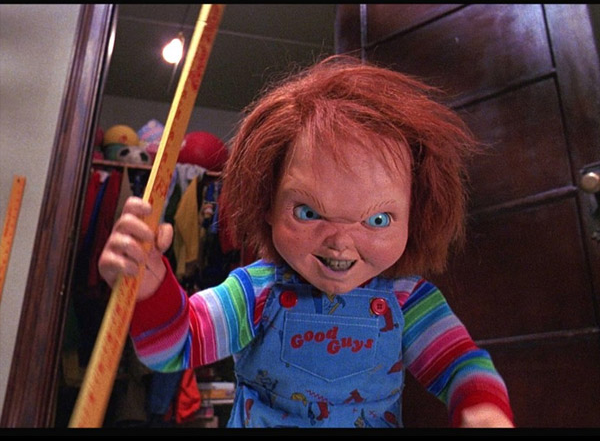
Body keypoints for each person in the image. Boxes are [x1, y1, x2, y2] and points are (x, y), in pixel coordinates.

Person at [99, 55, 514, 428]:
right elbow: (175, 347)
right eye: (309, 213)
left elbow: (460, 364)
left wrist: (481, 407)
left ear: (415, 215)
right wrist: (149, 287)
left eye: (378, 220)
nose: (340, 243)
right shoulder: (254, 293)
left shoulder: (409, 301)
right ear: (267, 202)